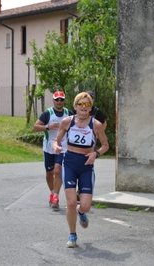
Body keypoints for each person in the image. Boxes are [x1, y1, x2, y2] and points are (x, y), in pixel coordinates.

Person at [53, 92, 109, 248]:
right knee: (71, 203)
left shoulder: (96, 124)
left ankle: (82, 213)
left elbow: (105, 145)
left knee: (84, 206)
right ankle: (72, 235)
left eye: (87, 104)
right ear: (75, 106)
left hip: (86, 166)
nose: (84, 107)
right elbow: (56, 141)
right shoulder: (67, 122)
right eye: (81, 104)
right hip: (70, 163)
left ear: (90, 107)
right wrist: (56, 147)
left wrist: (95, 153)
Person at [33, 91, 71, 210]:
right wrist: (47, 127)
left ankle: (56, 196)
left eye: (61, 99)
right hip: (49, 147)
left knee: (57, 171)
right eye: (57, 99)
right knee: (49, 173)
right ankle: (52, 192)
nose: (59, 102)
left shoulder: (69, 113)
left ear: (64, 100)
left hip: (62, 147)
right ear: (53, 101)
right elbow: (35, 127)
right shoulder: (47, 113)